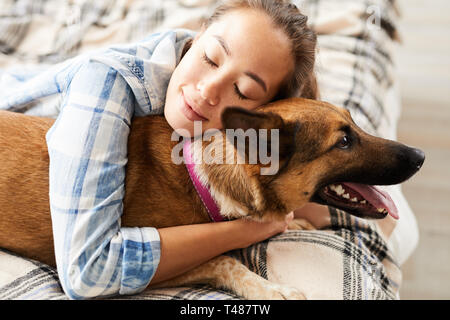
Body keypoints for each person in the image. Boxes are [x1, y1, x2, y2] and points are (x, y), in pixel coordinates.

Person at [0, 0, 320, 299]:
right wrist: (243, 232)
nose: (207, 89)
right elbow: (88, 271)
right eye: (210, 58)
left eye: (242, 90)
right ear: (197, 38)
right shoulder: (105, 86)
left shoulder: (229, 129)